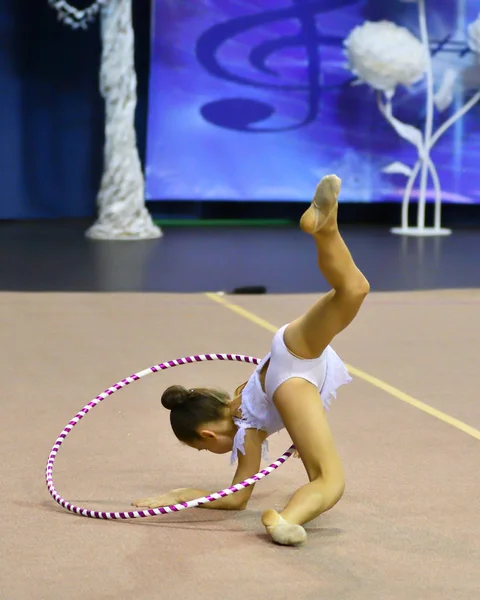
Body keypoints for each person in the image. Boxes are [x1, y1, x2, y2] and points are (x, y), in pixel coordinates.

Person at [132, 174, 370, 546]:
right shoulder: (242, 404)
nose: (209, 452)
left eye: (201, 448)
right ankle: (326, 229)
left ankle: (286, 517)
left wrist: (182, 494)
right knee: (353, 289)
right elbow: (238, 493)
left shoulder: (247, 430)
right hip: (293, 350)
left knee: (329, 480)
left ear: (208, 435)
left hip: (296, 370)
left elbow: (235, 497)